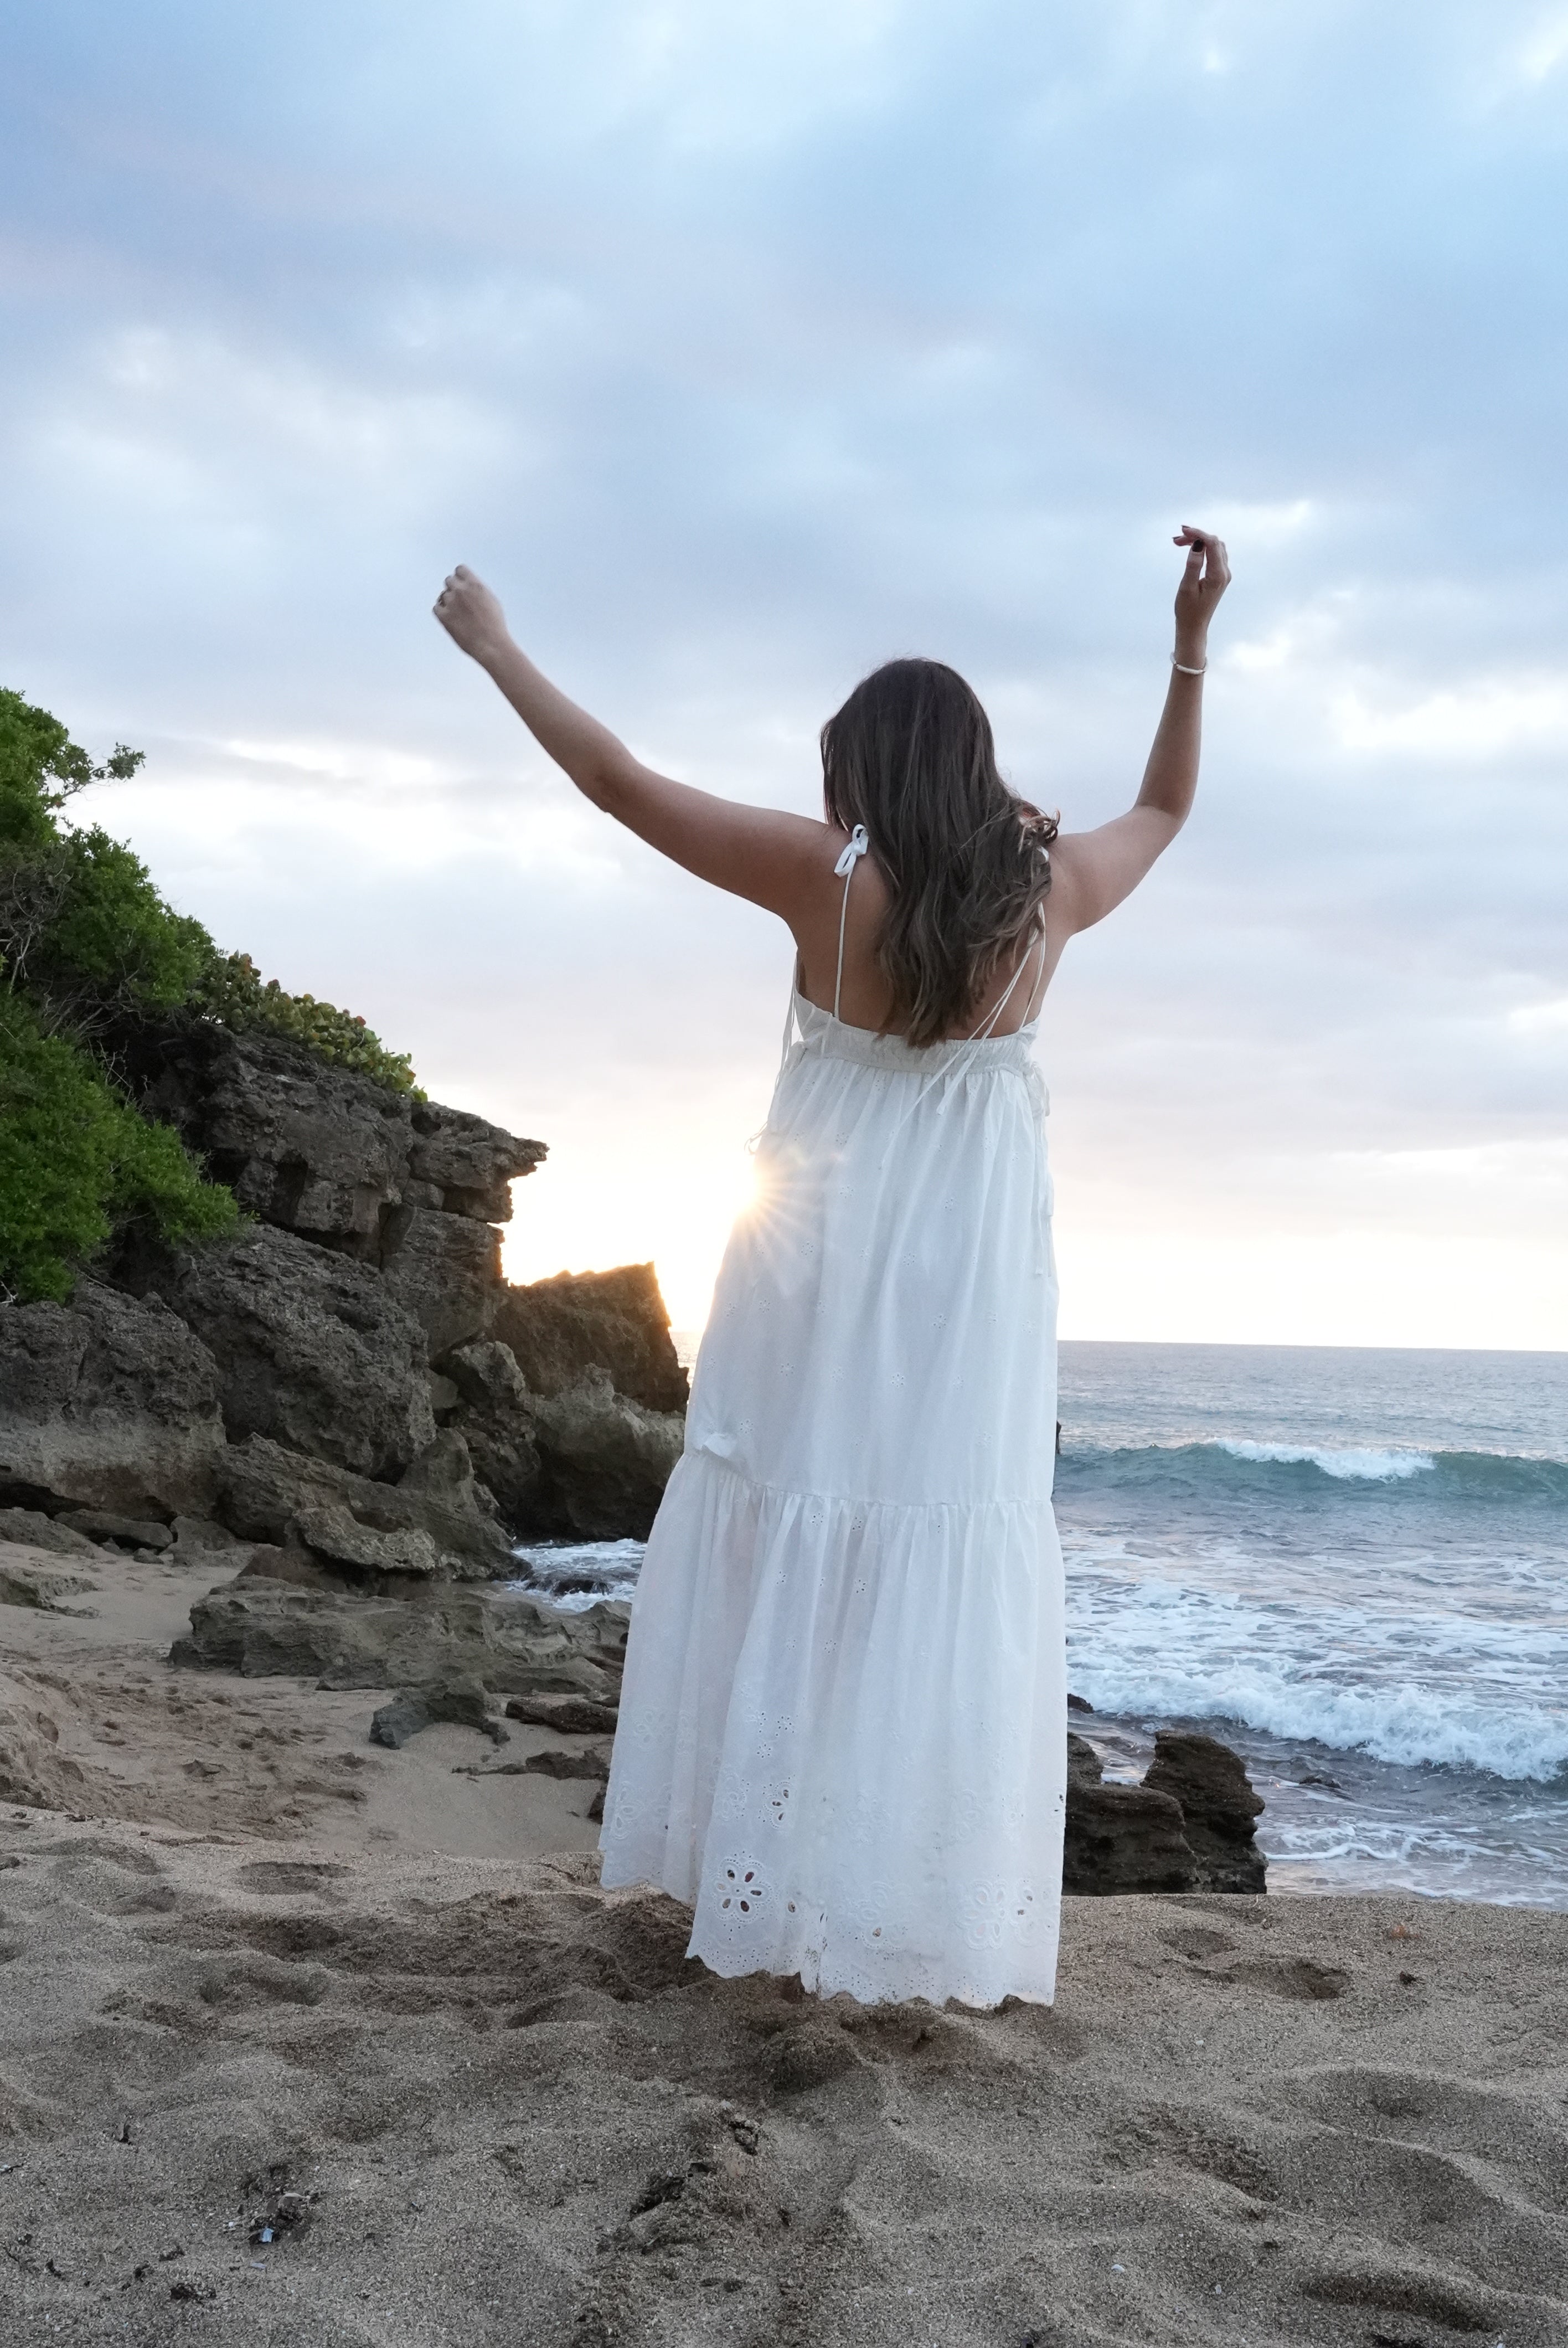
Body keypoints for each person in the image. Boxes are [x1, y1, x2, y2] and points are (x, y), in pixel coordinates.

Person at [435, 527, 1230, 2006]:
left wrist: (496, 649)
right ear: (978, 768)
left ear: (863, 771)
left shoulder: (829, 881)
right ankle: (895, 1903)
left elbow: (616, 782)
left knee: (790, 1518)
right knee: (932, 1535)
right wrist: (1191, 640)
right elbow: (1169, 804)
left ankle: (760, 1878)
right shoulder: (1048, 898)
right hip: (973, 1286)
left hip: (821, 1270)